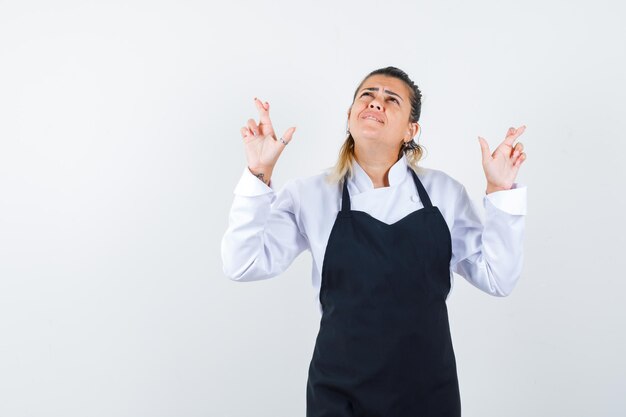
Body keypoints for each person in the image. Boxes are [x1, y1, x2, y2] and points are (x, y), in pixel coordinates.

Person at [221, 66, 527, 417]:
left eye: (390, 99)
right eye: (366, 95)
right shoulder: (310, 194)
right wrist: (258, 175)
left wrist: (501, 192)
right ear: (349, 116)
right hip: (339, 396)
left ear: (412, 130)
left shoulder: (444, 194)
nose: (375, 103)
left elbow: (498, 278)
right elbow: (241, 264)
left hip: (428, 393)